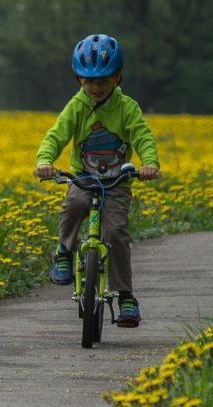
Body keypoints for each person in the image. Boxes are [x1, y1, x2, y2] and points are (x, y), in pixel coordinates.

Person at [33, 33, 160, 327]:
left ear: (117, 77)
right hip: (83, 178)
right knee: (74, 204)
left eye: (102, 80)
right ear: (79, 80)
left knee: (115, 233)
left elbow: (143, 137)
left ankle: (125, 295)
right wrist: (45, 161)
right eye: (88, 81)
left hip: (117, 183)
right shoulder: (76, 106)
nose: (95, 87)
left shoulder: (127, 107)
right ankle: (64, 251)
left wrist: (149, 164)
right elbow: (57, 134)